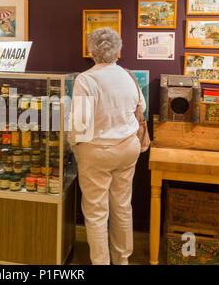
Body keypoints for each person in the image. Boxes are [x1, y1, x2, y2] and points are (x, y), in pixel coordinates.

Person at [69, 27, 146, 265]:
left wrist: (73, 147)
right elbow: (140, 107)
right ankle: (122, 260)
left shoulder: (87, 79)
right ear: (118, 50)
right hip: (128, 148)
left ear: (91, 50)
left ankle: (101, 262)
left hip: (97, 151)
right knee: (122, 206)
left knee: (96, 212)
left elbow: (79, 126)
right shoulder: (127, 75)